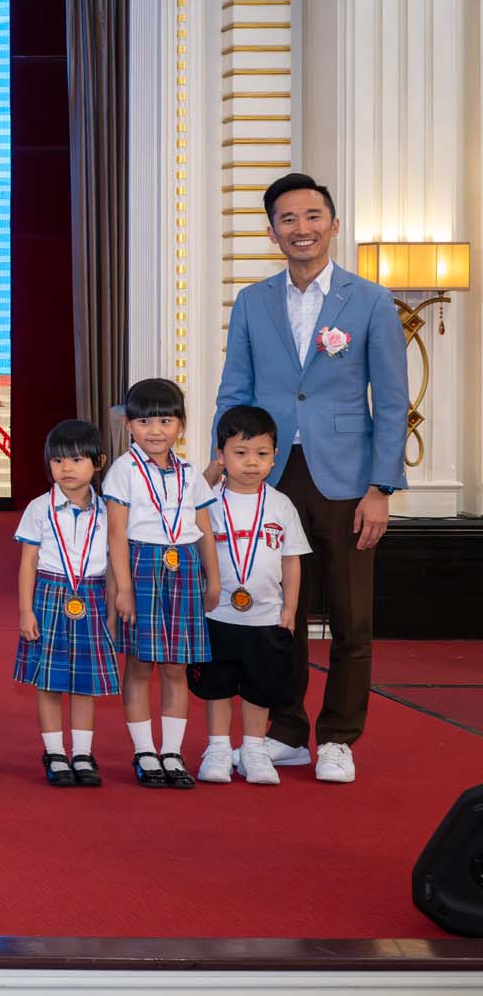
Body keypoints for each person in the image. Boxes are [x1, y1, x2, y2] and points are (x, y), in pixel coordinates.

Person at [212, 171, 406, 784]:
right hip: (268, 477)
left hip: (347, 480)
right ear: (272, 232)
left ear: (333, 225)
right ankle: (287, 730)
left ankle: (339, 737)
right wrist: (221, 467)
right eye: (288, 219)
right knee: (278, 613)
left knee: (351, 618)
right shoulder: (253, 301)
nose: (302, 228)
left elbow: (391, 402)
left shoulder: (371, 300)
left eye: (313, 216)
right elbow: (234, 391)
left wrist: (381, 488)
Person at [105, 377, 221, 789]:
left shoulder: (190, 473)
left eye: (165, 421)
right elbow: (116, 534)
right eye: (145, 422)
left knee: (176, 667)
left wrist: (214, 579)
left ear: (181, 425)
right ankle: (144, 751)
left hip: (184, 567)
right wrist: (123, 588)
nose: (155, 430)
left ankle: (171, 752)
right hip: (141, 566)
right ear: (129, 425)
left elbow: (203, 528)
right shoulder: (123, 471)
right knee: (140, 665)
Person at [190, 406, 310, 786]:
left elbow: (291, 559)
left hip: (266, 616)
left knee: (260, 686)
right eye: (240, 453)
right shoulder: (207, 502)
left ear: (275, 457)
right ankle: (218, 747)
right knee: (218, 685)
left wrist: (290, 607)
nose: (252, 463)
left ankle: (255, 749)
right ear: (221, 455)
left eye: (261, 453)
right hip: (218, 613)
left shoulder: (281, 505)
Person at [11, 419, 118, 788]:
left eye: (76, 459)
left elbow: (112, 565)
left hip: (93, 597)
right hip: (50, 595)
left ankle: (83, 753)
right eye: (58, 461)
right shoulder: (39, 508)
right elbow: (27, 563)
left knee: (85, 683)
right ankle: (55, 752)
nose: (66, 468)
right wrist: (26, 610)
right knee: (50, 682)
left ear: (98, 462)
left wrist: (113, 611)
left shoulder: (108, 511)